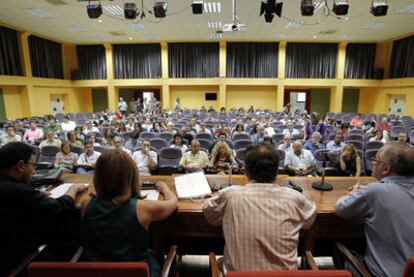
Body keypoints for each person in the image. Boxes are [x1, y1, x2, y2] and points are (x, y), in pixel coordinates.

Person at [203, 143, 316, 273]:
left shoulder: (229, 195)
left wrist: (210, 195)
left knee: (220, 261)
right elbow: (309, 222)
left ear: (245, 171)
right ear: (277, 171)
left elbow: (210, 215)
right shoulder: (295, 198)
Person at [80, 150, 178, 277]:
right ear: (131, 176)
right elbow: (173, 202)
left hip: (97, 272)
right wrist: (165, 189)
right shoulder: (143, 207)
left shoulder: (85, 204)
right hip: (137, 271)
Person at [0, 142, 86, 275]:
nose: (34, 171)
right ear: (21, 166)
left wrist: (33, 194)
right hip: (15, 262)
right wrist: (72, 189)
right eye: (33, 165)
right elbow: (58, 207)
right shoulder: (18, 191)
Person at [335, 143, 414, 277]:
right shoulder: (376, 190)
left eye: (375, 160)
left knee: (335, 245)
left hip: (380, 274)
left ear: (385, 168)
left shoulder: (375, 191)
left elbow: (339, 208)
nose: (372, 163)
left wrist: (351, 194)